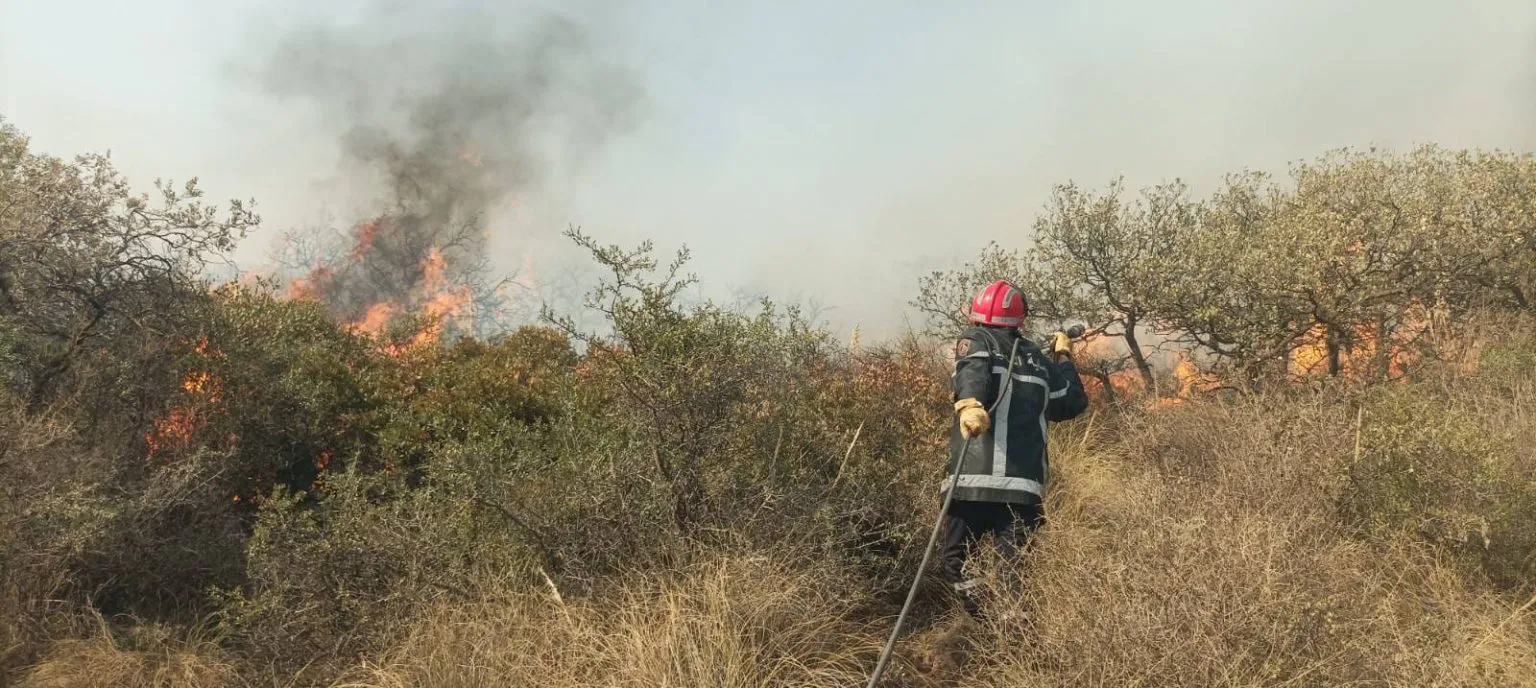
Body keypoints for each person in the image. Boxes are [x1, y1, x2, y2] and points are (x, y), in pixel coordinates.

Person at [942, 280, 1089, 618]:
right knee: (1014, 577)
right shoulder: (1038, 360)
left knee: (955, 562)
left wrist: (969, 404)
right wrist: (1064, 355)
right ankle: (1012, 638)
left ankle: (983, 623)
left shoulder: (974, 339)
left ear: (976, 315)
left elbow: (972, 370)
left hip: (972, 485)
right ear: (1020, 319)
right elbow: (1073, 402)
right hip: (1023, 491)